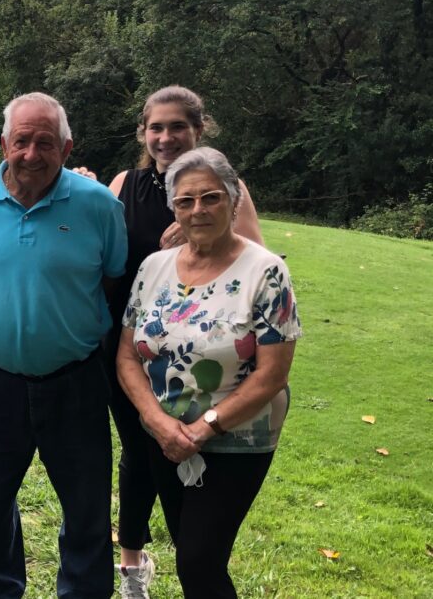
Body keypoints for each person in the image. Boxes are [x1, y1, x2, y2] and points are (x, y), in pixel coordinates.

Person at [0, 92, 127, 599]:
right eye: (21, 141)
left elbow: (111, 278)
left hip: (77, 381)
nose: (31, 153)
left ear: (66, 148)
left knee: (86, 506)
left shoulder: (99, 206)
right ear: (3, 143)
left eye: (44, 142)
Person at [116, 147, 300, 598]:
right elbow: (127, 355)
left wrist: (202, 430)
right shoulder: (153, 268)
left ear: (233, 200)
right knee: (191, 555)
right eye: (185, 201)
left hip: (236, 439)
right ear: (174, 209)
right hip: (164, 436)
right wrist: (158, 423)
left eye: (210, 197)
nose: (197, 210)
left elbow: (272, 374)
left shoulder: (266, 272)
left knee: (199, 561)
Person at [104, 85, 263, 598]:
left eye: (177, 127)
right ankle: (132, 565)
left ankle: (200, 551)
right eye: (156, 127)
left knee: (189, 455)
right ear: (142, 133)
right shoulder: (125, 182)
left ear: (199, 129)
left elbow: (258, 261)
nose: (166, 137)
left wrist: (199, 234)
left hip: (204, 359)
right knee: (139, 449)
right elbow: (96, 235)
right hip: (132, 345)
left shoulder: (218, 186)